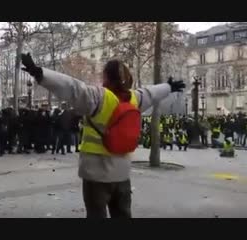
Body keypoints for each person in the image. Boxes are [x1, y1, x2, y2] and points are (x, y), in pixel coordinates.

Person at [21, 53, 185, 218]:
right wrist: (169, 87)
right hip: (122, 173)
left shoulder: (98, 97)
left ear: (106, 76)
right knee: (122, 215)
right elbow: (150, 93)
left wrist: (39, 73)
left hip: (96, 174)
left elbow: (72, 88)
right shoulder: (134, 99)